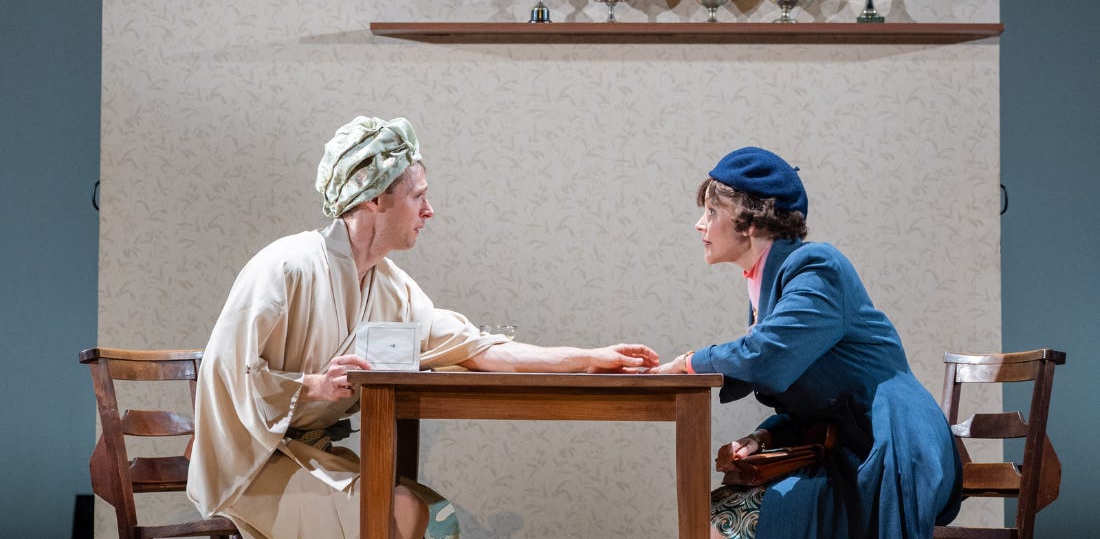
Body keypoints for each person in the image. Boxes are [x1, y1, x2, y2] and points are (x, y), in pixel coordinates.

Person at [186, 115, 659, 539]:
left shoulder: (393, 288)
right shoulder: (285, 267)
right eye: (418, 197)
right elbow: (225, 375)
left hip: (308, 453)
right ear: (374, 199)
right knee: (408, 515)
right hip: (248, 462)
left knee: (432, 512)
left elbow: (477, 348)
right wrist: (312, 385)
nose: (428, 211)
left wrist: (591, 358)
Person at [649, 147, 961, 538]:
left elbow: (767, 355)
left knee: (720, 524)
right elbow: (814, 402)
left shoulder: (816, 267)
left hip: (891, 451)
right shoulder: (771, 285)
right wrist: (766, 435)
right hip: (847, 450)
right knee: (714, 516)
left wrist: (689, 362)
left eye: (712, 212)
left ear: (748, 219)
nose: (700, 225)